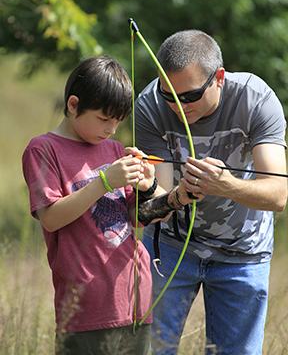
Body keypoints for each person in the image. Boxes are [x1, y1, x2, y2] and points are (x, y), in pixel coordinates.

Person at [22, 56, 193, 355]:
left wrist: (153, 188)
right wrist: (104, 181)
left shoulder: (113, 149)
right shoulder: (43, 149)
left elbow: (136, 218)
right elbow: (50, 218)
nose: (112, 130)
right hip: (86, 306)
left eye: (118, 121)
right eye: (104, 119)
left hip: (134, 300)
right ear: (74, 104)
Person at [134, 30, 287, 355]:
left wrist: (225, 185)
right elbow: (154, 199)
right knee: (151, 350)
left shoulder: (256, 99)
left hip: (242, 255)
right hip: (172, 250)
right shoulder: (149, 104)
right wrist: (177, 194)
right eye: (169, 95)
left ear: (218, 78)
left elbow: (278, 194)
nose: (177, 106)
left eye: (188, 96)